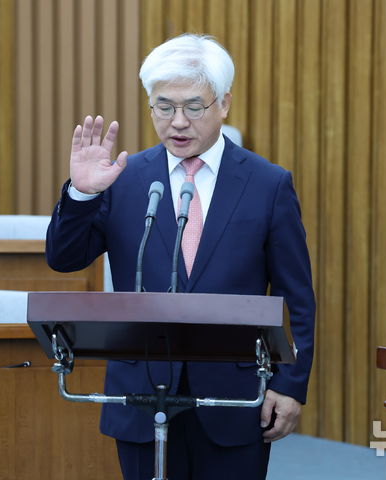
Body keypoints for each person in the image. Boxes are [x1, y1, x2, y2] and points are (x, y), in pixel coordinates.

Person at [46, 33, 315, 480]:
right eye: (164, 107)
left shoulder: (268, 184)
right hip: (140, 393)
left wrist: (291, 386)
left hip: (234, 397)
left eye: (193, 107)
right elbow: (64, 258)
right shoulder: (123, 179)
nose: (178, 122)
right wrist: (81, 195)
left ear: (224, 104)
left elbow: (298, 298)